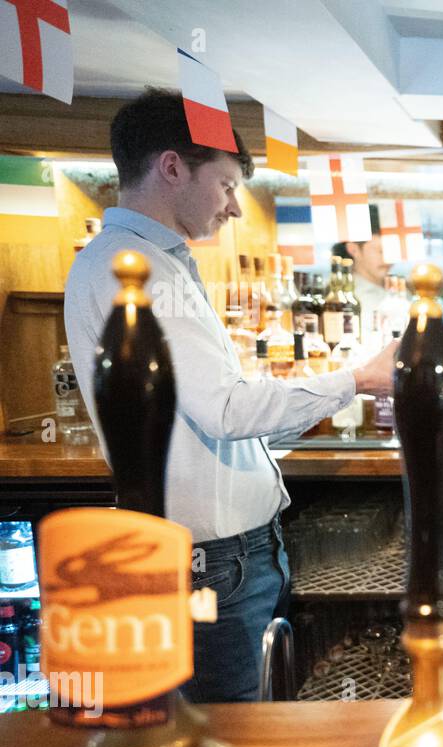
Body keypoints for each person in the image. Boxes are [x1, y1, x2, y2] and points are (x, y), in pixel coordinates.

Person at [64, 89, 398, 703]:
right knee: (238, 739)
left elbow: (214, 420)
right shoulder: (132, 268)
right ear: (172, 167)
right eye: (225, 185)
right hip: (214, 560)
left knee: (247, 731)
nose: (235, 208)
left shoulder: (153, 264)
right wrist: (357, 379)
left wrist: (316, 407)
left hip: (227, 555)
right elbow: (224, 409)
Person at [332, 211, 389, 318]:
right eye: (380, 251)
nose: (388, 259)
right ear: (354, 250)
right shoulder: (345, 298)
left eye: (393, 250)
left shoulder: (398, 289)